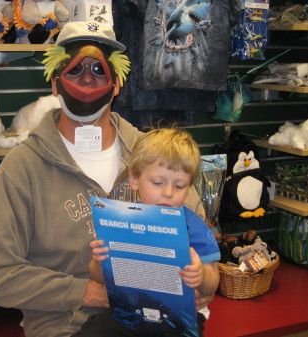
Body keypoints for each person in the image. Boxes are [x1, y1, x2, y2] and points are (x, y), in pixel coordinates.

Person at [0, 22, 213, 337]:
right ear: (55, 84)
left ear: (117, 85)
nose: (87, 79)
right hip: (67, 327)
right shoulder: (23, 167)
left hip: (163, 319)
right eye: (74, 70)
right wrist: (86, 292)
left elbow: (202, 247)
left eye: (99, 70)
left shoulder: (154, 156)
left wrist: (204, 283)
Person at [79, 128, 220, 337]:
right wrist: (99, 262)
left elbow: (212, 284)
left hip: (179, 316)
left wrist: (201, 275)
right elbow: (100, 278)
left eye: (180, 186)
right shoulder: (122, 221)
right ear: (135, 179)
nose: (168, 193)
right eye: (157, 183)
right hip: (129, 310)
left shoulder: (193, 226)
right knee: (93, 331)